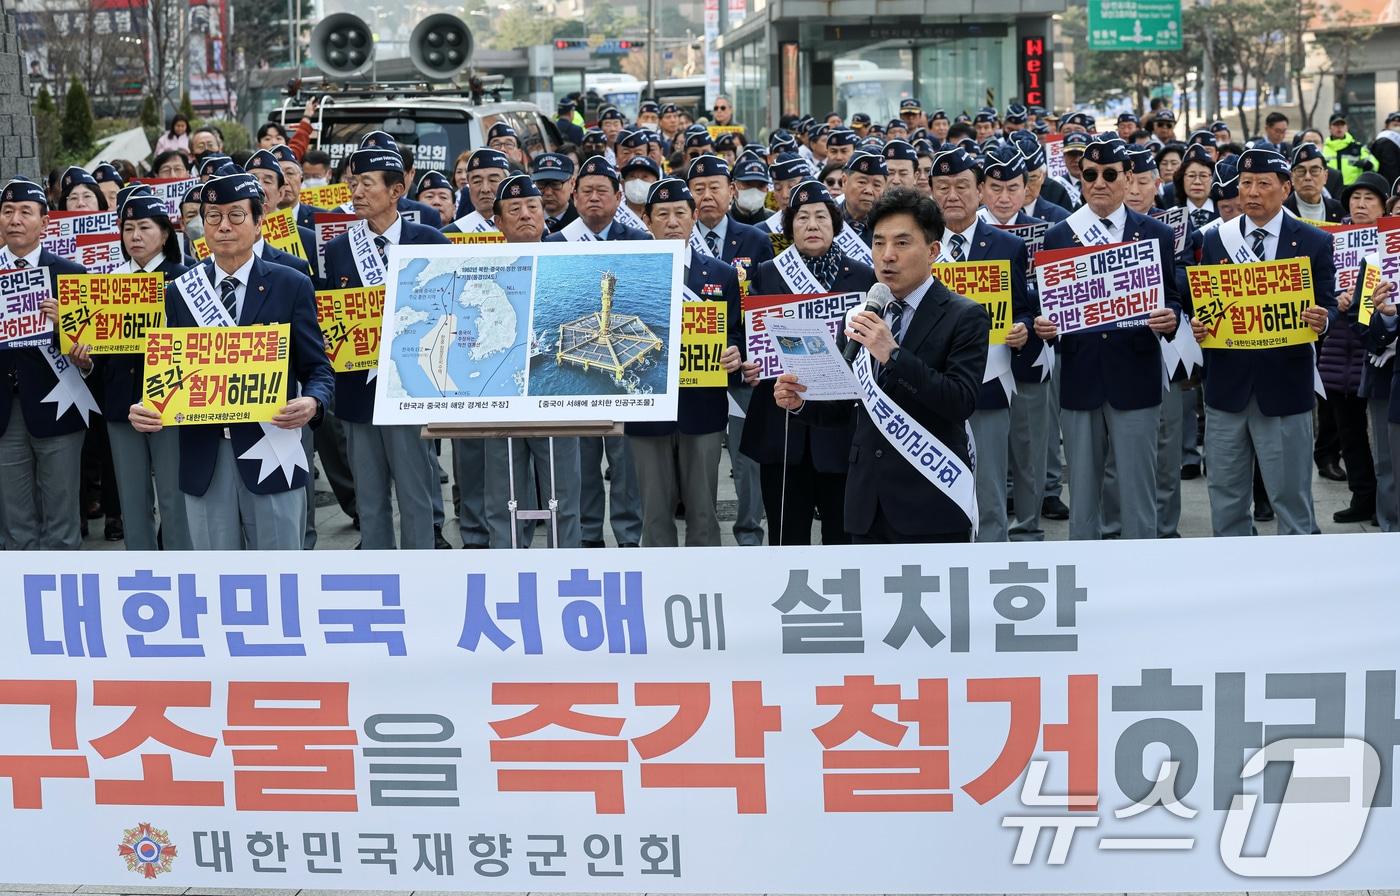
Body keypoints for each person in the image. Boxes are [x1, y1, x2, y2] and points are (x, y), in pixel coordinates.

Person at [127, 173, 333, 550]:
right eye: (212, 216)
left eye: (236, 216)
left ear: (258, 224)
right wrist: (147, 406)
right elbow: (172, 371)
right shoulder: (181, 292)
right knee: (215, 582)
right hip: (205, 455)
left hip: (272, 447)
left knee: (280, 577)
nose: (223, 226)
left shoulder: (291, 283)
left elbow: (318, 368)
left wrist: (313, 402)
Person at [774, 187, 989, 543]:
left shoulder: (965, 316)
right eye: (878, 243)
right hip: (866, 502)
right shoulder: (863, 315)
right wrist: (800, 403)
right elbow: (846, 408)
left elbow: (959, 401)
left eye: (902, 243)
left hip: (931, 494)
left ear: (933, 250)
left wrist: (894, 354)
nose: (887, 256)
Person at [1034, 138, 1182, 541]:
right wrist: (1044, 326)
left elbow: (1172, 296)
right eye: (1090, 175)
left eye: (1110, 174)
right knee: (1081, 492)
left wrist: (1171, 318)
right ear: (1080, 179)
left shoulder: (1155, 234)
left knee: (1138, 489)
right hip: (1080, 376)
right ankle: (1084, 575)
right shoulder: (1060, 236)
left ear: (1129, 178)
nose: (1099, 182)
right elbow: (1049, 306)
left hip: (1136, 373)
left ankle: (1143, 576)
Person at [1190, 147, 1337, 536]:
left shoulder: (1312, 241)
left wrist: (1322, 320)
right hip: (1226, 387)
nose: (1252, 192)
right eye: (1245, 184)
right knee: (1225, 493)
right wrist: (1200, 326)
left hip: (1285, 386)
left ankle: (1297, 577)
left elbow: (1328, 303)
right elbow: (1205, 304)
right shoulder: (1215, 240)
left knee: (1291, 496)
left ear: (1285, 189)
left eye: (1263, 184)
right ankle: (1235, 575)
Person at [321, 146, 448, 550]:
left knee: (415, 490)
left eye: (366, 184)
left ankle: (420, 571)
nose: (356, 192)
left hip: (412, 384)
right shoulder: (341, 248)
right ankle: (378, 570)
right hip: (359, 387)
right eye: (353, 183)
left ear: (396, 191)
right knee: (370, 494)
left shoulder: (428, 240)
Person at [744, 180, 875, 544]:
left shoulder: (862, 276)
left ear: (835, 226)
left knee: (842, 532)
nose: (812, 225)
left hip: (841, 422)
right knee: (786, 535)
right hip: (782, 422)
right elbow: (754, 339)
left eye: (821, 217)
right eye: (802, 218)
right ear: (790, 228)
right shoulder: (769, 273)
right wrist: (751, 365)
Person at [625, 178, 745, 545]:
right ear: (647, 220)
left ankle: (705, 584)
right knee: (655, 511)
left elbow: (737, 332)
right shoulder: (631, 273)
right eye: (663, 214)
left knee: (703, 509)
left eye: (680, 213)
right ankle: (658, 585)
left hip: (702, 406)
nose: (672, 221)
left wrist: (734, 351)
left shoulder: (721, 274)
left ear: (694, 217)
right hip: (648, 406)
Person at [74, 195, 193, 550]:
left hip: (170, 402)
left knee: (175, 496)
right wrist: (87, 361)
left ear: (165, 234)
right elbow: (101, 352)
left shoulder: (184, 279)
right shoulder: (108, 282)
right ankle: (143, 570)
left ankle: (182, 572)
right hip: (121, 402)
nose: (135, 236)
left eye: (144, 228)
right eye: (128, 229)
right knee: (131, 497)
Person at [542, 157, 646, 548]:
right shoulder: (555, 242)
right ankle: (588, 536)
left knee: (626, 462)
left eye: (603, 190)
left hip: (622, 372)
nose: (594, 198)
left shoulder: (639, 242)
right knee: (581, 461)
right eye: (586, 191)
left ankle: (629, 535)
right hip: (578, 371)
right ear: (574, 194)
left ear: (619, 197)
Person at [936, 146, 1037, 542]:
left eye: (962, 186)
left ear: (980, 191)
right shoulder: (920, 244)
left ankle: (993, 564)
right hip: (933, 381)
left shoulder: (1006, 247)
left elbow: (1024, 308)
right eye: (942, 186)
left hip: (990, 380)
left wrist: (1023, 328)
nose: (952, 195)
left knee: (990, 485)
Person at [0, 178, 97, 549]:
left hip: (60, 406)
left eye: (25, 212)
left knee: (61, 515)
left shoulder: (72, 275)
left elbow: (92, 356)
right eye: (7, 211)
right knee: (14, 517)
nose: (15, 219)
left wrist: (66, 329)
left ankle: (62, 596)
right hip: (4, 412)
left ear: (45, 222)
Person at [1322, 172, 1391, 526]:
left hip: (1377, 348)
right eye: (1355, 197)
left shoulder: (1390, 245)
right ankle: (1362, 496)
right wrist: (1337, 300)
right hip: (1338, 348)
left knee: (1383, 434)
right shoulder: (1332, 240)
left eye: (1369, 198)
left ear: (1383, 206)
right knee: (1348, 431)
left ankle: (1387, 500)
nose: (1360, 204)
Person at [687, 155, 774, 283]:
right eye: (699, 189)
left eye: (714, 188)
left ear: (731, 190)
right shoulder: (682, 241)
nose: (707, 196)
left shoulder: (757, 240)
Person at [445, 149, 511, 234]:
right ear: (469, 185)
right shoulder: (451, 234)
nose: (485, 189)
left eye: (493, 180)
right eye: (477, 181)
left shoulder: (521, 228)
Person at [1285, 142, 1343, 222]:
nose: (1308, 177)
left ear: (1325, 176)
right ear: (1292, 177)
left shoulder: (1341, 211)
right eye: (1301, 171)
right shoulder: (1281, 212)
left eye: (1314, 171)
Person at [1323, 114, 1378, 187]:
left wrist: (1367, 164)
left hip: (1352, 190)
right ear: (1329, 128)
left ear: (1346, 128)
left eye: (1342, 125)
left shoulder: (1358, 147)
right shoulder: (1323, 149)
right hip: (1329, 190)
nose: (1339, 127)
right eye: (1336, 125)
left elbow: (1375, 165)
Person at [531, 151, 578, 234]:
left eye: (555, 184)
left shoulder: (583, 221)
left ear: (572, 184)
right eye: (541, 184)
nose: (548, 192)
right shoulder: (527, 220)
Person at [1174, 145, 1217, 227]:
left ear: (1213, 179)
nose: (1197, 182)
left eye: (1203, 176)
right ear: (1181, 179)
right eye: (1191, 176)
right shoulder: (1173, 215)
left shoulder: (1224, 211)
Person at [730, 157, 772, 226]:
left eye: (760, 186)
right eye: (748, 184)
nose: (754, 191)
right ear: (733, 188)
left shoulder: (774, 223)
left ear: (767, 190)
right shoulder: (721, 220)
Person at [1371, 111, 1400, 187]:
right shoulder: (1386, 142)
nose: (1398, 127)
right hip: (1391, 186)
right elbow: (1390, 170)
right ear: (1387, 126)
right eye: (1395, 125)